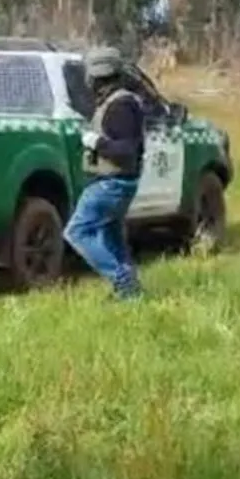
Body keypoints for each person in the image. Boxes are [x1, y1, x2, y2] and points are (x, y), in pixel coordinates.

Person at [63, 46, 147, 301]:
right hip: (117, 181)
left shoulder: (120, 106)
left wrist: (96, 142)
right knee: (111, 238)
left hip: (112, 183)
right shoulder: (117, 101)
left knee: (77, 232)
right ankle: (129, 293)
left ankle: (122, 281)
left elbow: (127, 150)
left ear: (96, 75)